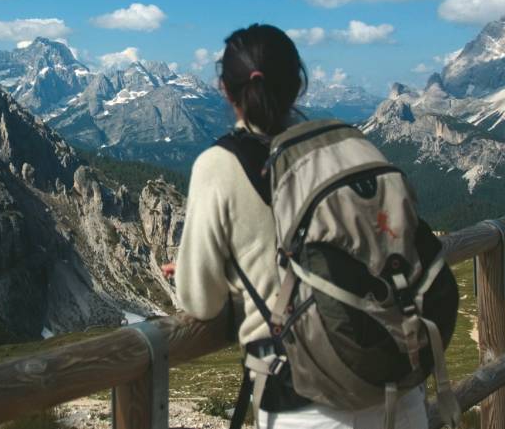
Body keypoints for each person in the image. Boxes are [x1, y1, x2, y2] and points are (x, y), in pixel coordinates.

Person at [165, 24, 430, 429]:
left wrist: (227, 272)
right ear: (299, 83)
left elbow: (201, 303)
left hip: (304, 401)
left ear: (224, 89)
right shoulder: (344, 143)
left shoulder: (217, 165)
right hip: (399, 389)